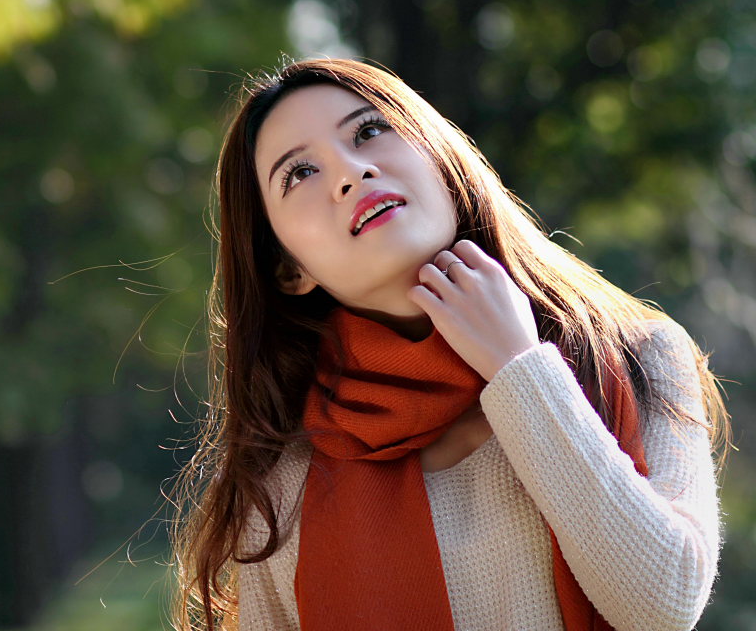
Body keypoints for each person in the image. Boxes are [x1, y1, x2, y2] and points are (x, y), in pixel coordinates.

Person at [169, 58, 728, 631]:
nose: (350, 172)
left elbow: (664, 604)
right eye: (300, 173)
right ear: (289, 270)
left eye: (368, 131)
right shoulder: (278, 487)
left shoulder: (638, 357)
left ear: (440, 160)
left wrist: (519, 367)